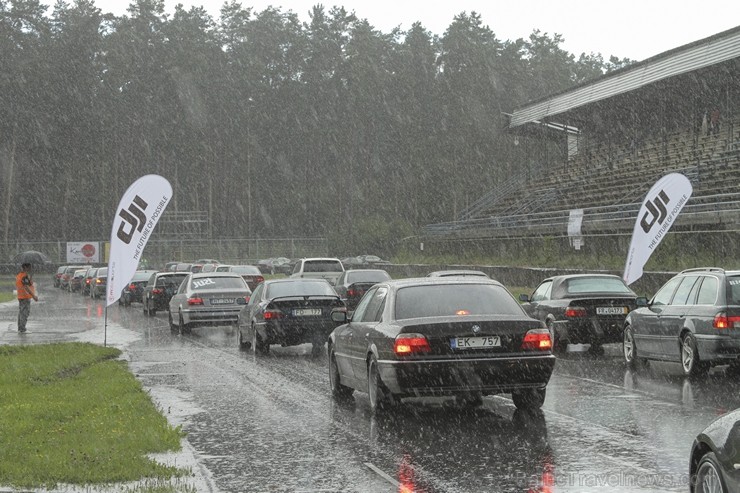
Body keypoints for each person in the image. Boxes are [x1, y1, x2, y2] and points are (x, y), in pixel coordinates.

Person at [16, 263, 38, 333]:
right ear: (25, 267)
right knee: (24, 313)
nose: (30, 268)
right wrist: (33, 296)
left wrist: (31, 276)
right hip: (25, 297)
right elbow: (26, 287)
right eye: (29, 267)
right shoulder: (24, 276)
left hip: (21, 296)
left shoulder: (19, 275)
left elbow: (29, 284)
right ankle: (22, 329)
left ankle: (20, 328)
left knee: (21, 313)